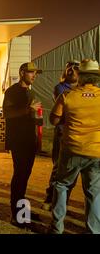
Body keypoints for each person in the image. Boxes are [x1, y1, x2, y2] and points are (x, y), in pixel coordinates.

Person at [49, 59, 100, 234]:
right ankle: (94, 231)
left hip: (71, 149)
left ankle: (57, 228)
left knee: (62, 185)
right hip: (96, 152)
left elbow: (53, 120)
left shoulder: (67, 96)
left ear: (81, 76)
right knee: (93, 192)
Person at [3, 62, 43, 228]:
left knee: (25, 176)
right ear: (22, 73)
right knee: (19, 176)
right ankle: (17, 215)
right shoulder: (12, 91)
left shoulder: (30, 91)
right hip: (18, 140)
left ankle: (23, 211)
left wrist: (37, 120)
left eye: (35, 73)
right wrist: (28, 109)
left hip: (29, 139)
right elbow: (8, 113)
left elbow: (33, 115)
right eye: (31, 72)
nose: (34, 75)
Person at [42, 60, 80, 211]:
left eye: (75, 68)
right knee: (58, 167)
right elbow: (68, 106)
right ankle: (50, 198)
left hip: (78, 134)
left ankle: (63, 201)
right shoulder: (61, 88)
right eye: (69, 68)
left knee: (74, 170)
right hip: (62, 132)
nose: (71, 70)